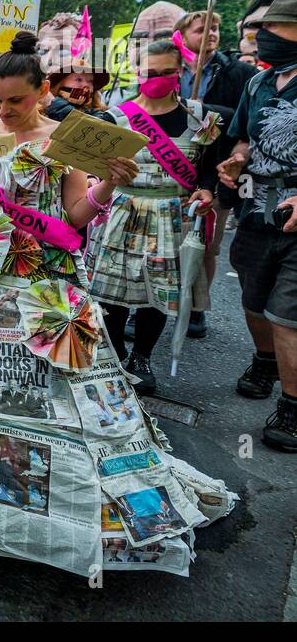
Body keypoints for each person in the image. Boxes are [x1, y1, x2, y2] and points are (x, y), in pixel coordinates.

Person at [0, 30, 233, 571]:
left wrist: (109, 187)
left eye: (18, 100)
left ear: (42, 91)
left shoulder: (67, 140)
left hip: (43, 279)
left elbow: (76, 216)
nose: (6, 110)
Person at [86, 39, 220, 394]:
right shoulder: (115, 117)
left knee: (157, 293)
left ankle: (141, 357)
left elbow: (207, 167)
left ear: (180, 73)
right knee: (111, 293)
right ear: (137, 72)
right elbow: (94, 170)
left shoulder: (199, 116)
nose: (157, 78)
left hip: (171, 214)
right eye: (150, 72)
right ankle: (115, 355)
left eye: (166, 72)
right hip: (122, 212)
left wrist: (206, 189)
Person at [218, 0, 297, 452]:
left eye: (273, 28)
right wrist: (235, 160)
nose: (261, 38)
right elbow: (244, 139)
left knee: (287, 314)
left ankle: (291, 405)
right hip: (254, 209)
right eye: (258, 29)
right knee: (252, 296)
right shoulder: (259, 83)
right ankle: (265, 361)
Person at [174, 8, 258, 337]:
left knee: (206, 242)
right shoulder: (167, 67)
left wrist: (202, 110)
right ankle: (151, 304)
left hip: (217, 167)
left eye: (214, 29)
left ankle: (196, 308)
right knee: (163, 243)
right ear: (182, 35)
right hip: (173, 166)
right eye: (200, 29)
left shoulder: (237, 71)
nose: (210, 34)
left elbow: (242, 118)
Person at [44, 62, 114, 123]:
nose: (86, 85)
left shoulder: (100, 114)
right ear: (60, 84)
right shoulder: (40, 110)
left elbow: (85, 126)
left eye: (90, 81)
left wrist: (53, 103)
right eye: (79, 79)